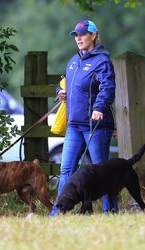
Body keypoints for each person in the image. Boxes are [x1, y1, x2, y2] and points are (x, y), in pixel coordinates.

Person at [50, 20, 117, 216]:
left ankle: (110, 211)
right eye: (76, 35)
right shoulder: (73, 61)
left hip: (95, 124)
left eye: (82, 34)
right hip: (74, 125)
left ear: (94, 36)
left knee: (101, 173)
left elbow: (108, 88)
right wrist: (59, 93)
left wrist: (98, 107)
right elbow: (65, 85)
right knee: (66, 170)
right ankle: (57, 212)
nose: (78, 38)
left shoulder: (103, 60)